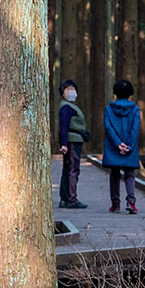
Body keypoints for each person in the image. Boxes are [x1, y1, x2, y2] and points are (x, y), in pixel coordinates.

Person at [101, 79, 142, 214]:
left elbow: (108, 128)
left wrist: (118, 144)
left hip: (113, 147)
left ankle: (115, 203)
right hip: (130, 147)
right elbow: (135, 129)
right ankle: (131, 201)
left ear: (115, 93)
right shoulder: (135, 109)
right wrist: (128, 145)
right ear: (130, 93)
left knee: (114, 174)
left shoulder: (108, 109)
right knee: (130, 174)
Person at [56, 80, 88, 208]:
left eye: (73, 90)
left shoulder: (70, 106)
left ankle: (65, 198)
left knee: (68, 169)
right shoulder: (66, 107)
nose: (71, 93)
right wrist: (64, 144)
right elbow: (63, 126)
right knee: (73, 169)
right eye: (68, 90)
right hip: (72, 141)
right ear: (62, 93)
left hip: (74, 140)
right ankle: (71, 199)